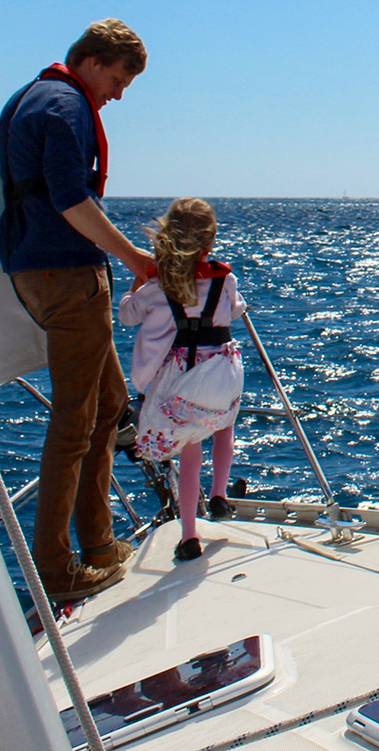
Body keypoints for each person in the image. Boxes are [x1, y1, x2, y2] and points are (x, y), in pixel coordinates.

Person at [0, 19, 155, 602]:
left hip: (35, 268)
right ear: (90, 61)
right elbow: (68, 197)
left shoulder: (29, 97)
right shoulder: (66, 106)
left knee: (110, 403)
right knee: (74, 423)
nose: (116, 94)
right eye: (116, 79)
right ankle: (57, 570)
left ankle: (101, 544)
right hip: (66, 274)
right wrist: (136, 258)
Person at [121, 197, 247, 562]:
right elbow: (234, 309)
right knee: (224, 426)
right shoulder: (225, 279)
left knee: (191, 453)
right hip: (222, 372)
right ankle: (221, 494)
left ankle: (190, 535)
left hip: (184, 378)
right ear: (210, 243)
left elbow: (128, 315)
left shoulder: (157, 287)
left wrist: (136, 280)